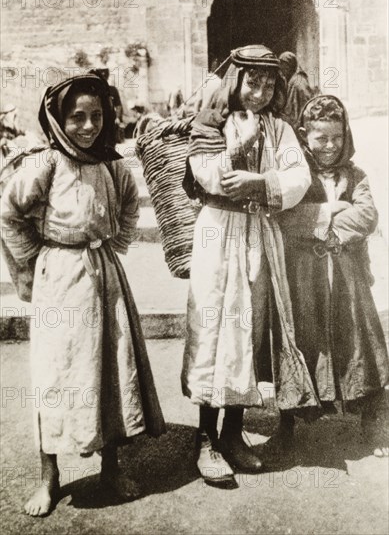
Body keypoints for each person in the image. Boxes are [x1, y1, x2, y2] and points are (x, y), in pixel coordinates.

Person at [0, 74, 165, 517]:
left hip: (106, 275)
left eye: (96, 116)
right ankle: (49, 477)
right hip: (61, 276)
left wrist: (117, 243)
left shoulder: (110, 163)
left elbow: (130, 202)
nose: (89, 126)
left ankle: (112, 465)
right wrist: (34, 268)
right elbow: (10, 213)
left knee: (110, 367)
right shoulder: (46, 163)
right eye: (77, 118)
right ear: (58, 119)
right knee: (56, 372)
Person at [182, 44, 320, 487]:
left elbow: (299, 176)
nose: (258, 93)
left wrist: (261, 182)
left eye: (266, 84)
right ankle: (204, 438)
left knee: (248, 328)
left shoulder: (279, 128)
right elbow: (207, 174)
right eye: (251, 83)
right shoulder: (212, 123)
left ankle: (232, 433)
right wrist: (234, 160)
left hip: (258, 231)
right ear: (235, 82)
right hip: (217, 231)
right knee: (213, 327)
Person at [277, 95, 389, 456]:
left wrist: (325, 221)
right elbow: (286, 219)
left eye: (336, 138)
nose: (329, 146)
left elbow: (368, 216)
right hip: (305, 276)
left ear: (346, 136)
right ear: (304, 137)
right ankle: (289, 420)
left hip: (346, 274)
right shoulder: (297, 177)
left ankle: (370, 417)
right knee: (303, 338)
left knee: (358, 338)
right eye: (320, 138)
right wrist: (331, 209)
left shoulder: (356, 175)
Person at [279, 51, 315, 130]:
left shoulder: (299, 82)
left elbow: (307, 104)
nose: (283, 72)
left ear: (291, 66)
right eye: (282, 68)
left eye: (286, 68)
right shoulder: (291, 80)